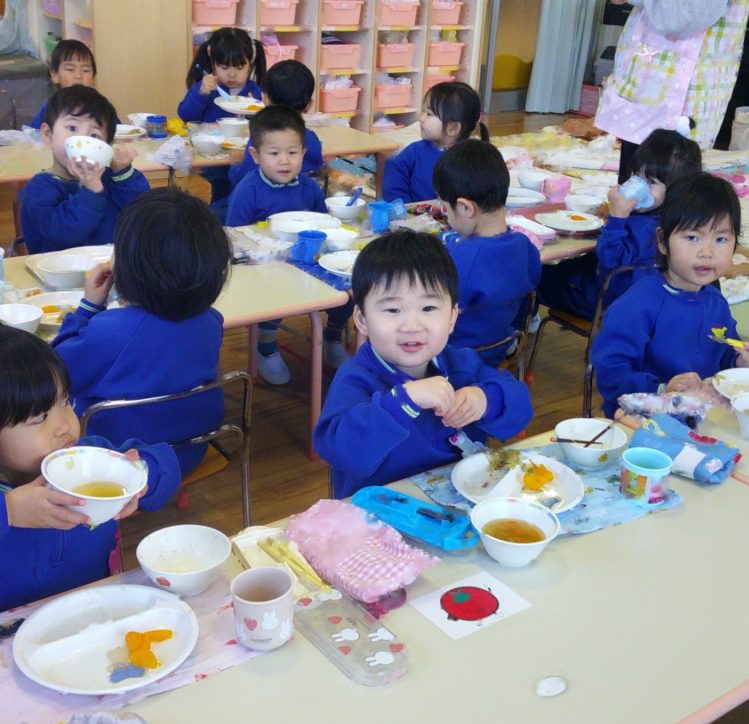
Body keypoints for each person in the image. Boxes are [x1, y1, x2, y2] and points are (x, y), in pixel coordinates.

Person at [0, 320, 180, 629]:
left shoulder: (88, 457)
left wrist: (142, 477)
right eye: (40, 417)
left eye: (65, 401)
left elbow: (165, 461)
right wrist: (5, 511)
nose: (65, 425)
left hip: (94, 619)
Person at [314, 230, 534, 498]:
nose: (412, 326)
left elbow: (521, 408)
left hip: (458, 505)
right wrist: (403, 402)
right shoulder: (356, 379)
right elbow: (346, 454)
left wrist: (486, 399)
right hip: (379, 513)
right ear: (362, 320)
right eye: (393, 310)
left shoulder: (461, 365)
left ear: (452, 317)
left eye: (428, 308)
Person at [52, 188, 229, 476]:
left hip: (118, 460)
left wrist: (87, 308)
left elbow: (56, 372)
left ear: (128, 268)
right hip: (190, 448)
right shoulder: (212, 321)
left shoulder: (111, 331)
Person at [591, 173, 749, 417]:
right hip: (644, 421)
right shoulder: (637, 305)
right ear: (662, 241)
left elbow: (725, 355)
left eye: (720, 239)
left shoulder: (716, 303)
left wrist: (740, 362)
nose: (707, 252)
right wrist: (661, 388)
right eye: (692, 237)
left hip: (702, 417)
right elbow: (611, 374)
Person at [536, 128, 701, 319]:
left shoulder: (649, 231)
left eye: (650, 182)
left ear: (676, 190)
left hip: (605, 301)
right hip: (629, 298)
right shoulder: (677, 222)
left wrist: (617, 220)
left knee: (532, 273)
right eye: (636, 175)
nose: (638, 186)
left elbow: (611, 263)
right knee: (568, 265)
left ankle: (519, 325)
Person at [227, 105, 338, 384]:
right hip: (264, 268)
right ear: (256, 155)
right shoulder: (249, 190)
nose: (284, 161)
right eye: (274, 153)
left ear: (303, 153)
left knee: (347, 288)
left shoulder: (308, 186)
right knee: (272, 297)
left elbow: (323, 223)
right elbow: (234, 236)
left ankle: (334, 337)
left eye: (292, 152)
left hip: (305, 263)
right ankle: (265, 346)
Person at [595, 0, 749, 181]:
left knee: (662, 170)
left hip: (678, 83)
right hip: (656, 73)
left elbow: (686, 20)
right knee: (637, 169)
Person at [431, 139, 541, 366]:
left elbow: (430, 314)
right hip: (500, 346)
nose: (446, 215)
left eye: (446, 208)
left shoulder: (460, 260)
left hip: (453, 359)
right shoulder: (526, 247)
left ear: (465, 208)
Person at [20, 86, 149, 254]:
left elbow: (141, 212)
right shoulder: (38, 189)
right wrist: (91, 191)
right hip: (59, 269)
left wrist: (122, 173)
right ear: (48, 134)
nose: (82, 141)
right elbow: (63, 234)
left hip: (109, 266)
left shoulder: (108, 178)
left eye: (94, 135)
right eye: (72, 128)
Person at [179, 27, 265, 205]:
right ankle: (220, 211)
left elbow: (264, 126)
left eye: (240, 67)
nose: (232, 74)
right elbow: (185, 115)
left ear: (250, 65)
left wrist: (259, 109)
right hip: (214, 155)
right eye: (224, 67)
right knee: (221, 191)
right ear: (213, 64)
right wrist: (200, 93)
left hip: (244, 155)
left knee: (247, 186)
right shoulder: (208, 89)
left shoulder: (255, 92)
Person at [227, 59, 323, 198]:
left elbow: (242, 181)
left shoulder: (262, 139)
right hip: (302, 204)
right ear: (309, 105)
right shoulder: (312, 139)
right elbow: (316, 172)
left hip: (262, 206)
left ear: (265, 99)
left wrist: (235, 165)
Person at [382, 81, 488, 204]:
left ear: (453, 128)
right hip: (415, 213)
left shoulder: (473, 158)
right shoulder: (414, 152)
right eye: (423, 111)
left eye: (429, 114)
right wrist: (404, 207)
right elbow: (393, 183)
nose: (421, 118)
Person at [29, 39, 97, 130]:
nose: (78, 76)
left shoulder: (100, 106)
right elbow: (32, 134)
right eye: (70, 69)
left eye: (85, 70)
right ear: (55, 75)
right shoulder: (49, 108)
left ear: (93, 78)